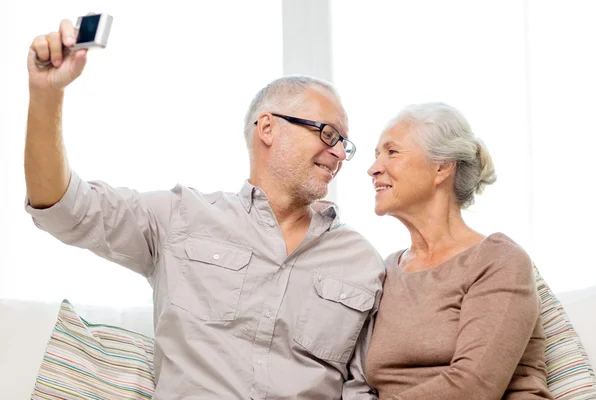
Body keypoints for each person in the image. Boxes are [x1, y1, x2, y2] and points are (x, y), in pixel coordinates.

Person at [24, 18, 384, 399]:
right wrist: (46, 96)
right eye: (328, 134)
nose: (340, 153)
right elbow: (64, 208)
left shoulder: (363, 263)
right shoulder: (180, 217)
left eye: (345, 143)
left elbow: (363, 389)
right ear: (268, 128)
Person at [364, 103, 553, 400]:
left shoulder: (497, 260)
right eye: (376, 155)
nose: (373, 168)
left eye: (392, 152)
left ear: (441, 167)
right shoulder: (386, 271)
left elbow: (473, 386)